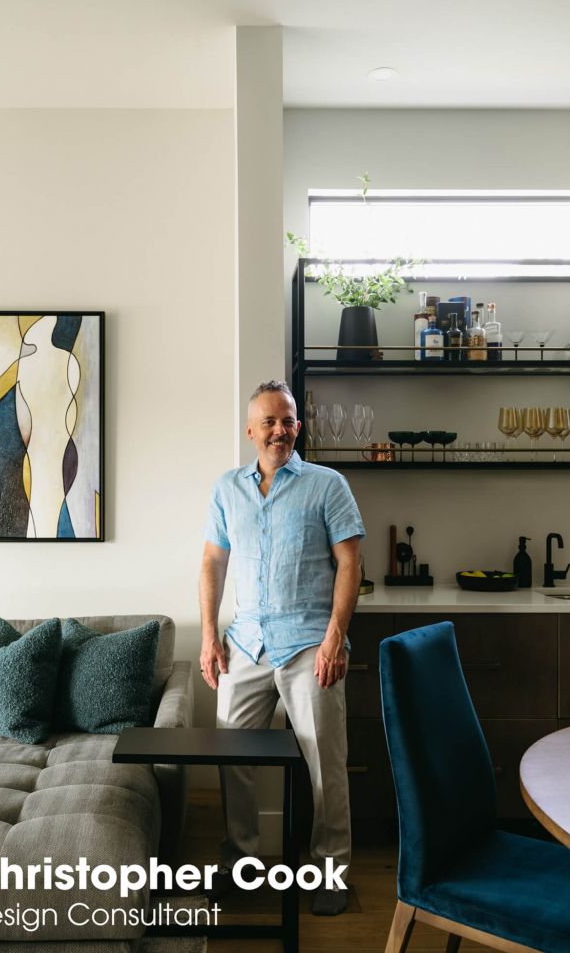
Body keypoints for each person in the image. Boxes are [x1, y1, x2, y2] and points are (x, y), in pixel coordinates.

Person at [199, 380, 365, 916]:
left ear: (298, 425)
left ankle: (331, 871)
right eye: (269, 422)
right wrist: (208, 635)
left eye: (288, 420)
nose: (280, 430)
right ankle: (240, 861)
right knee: (233, 758)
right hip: (245, 645)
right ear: (251, 430)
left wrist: (335, 638)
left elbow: (350, 563)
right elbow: (212, 564)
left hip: (310, 647)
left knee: (324, 762)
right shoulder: (227, 489)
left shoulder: (328, 485)